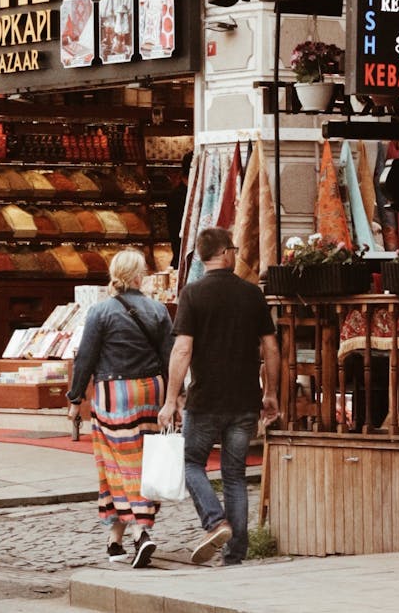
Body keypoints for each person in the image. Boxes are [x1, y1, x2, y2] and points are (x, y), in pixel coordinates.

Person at [158, 227, 280, 566]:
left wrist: (170, 400)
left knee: (192, 462)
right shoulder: (251, 294)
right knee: (235, 474)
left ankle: (214, 522)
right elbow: (270, 347)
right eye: (234, 249)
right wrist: (270, 392)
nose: (236, 254)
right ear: (225, 253)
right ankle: (235, 554)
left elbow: (182, 349)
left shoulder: (193, 294)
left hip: (206, 397)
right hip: (244, 399)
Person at [67, 249, 173, 569]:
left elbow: (85, 358)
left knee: (117, 466)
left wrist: (75, 399)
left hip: (114, 393)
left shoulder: (100, 312)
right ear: (140, 276)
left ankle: (142, 532)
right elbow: (170, 358)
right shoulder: (158, 310)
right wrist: (174, 400)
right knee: (146, 463)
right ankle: (115, 541)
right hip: (152, 390)